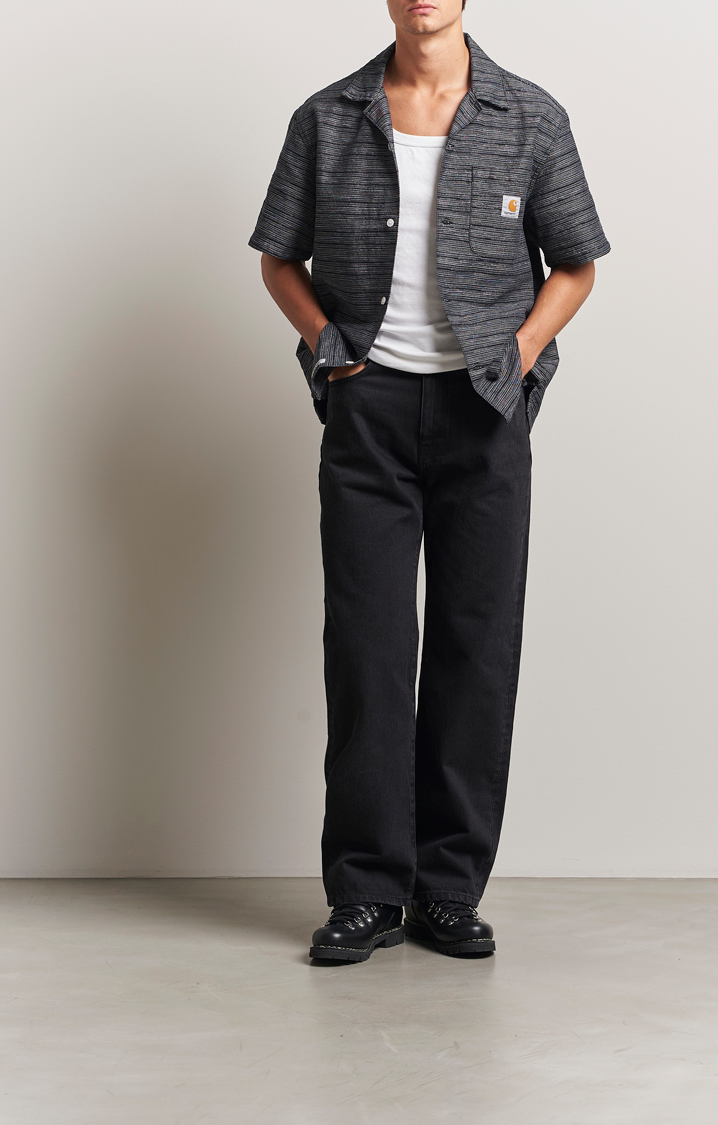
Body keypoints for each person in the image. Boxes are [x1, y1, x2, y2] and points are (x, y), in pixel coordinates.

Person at [249, 0, 610, 963]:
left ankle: (448, 889)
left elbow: (576, 265)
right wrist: (328, 348)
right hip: (367, 411)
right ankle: (367, 890)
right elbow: (278, 257)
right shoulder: (328, 117)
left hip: (483, 411)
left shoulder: (530, 116)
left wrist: (518, 354)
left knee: (475, 644)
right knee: (366, 648)